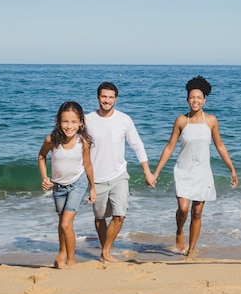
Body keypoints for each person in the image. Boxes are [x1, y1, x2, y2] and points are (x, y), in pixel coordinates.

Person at [153, 76, 238, 258]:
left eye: (199, 97)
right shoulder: (181, 121)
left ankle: (191, 250)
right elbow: (169, 147)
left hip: (203, 173)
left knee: (197, 212)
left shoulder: (211, 121)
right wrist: (156, 172)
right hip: (183, 171)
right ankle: (179, 231)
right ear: (187, 99)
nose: (195, 100)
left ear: (204, 100)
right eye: (192, 97)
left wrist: (231, 168)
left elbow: (220, 146)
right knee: (183, 209)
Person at [85, 82, 155, 262]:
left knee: (120, 215)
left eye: (110, 97)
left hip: (119, 175)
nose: (106, 100)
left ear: (115, 99)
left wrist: (147, 171)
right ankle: (104, 249)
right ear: (98, 97)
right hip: (97, 179)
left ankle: (106, 252)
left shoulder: (124, 119)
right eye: (103, 96)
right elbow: (78, 147)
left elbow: (137, 145)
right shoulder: (87, 120)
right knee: (99, 217)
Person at [38, 101, 96, 269]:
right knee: (62, 222)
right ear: (59, 122)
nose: (69, 126)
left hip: (78, 183)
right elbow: (41, 157)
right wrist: (44, 177)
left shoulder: (83, 142)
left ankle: (69, 258)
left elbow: (88, 165)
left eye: (73, 122)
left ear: (80, 123)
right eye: (65, 121)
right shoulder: (51, 140)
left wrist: (93, 188)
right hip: (58, 186)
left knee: (65, 223)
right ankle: (62, 250)